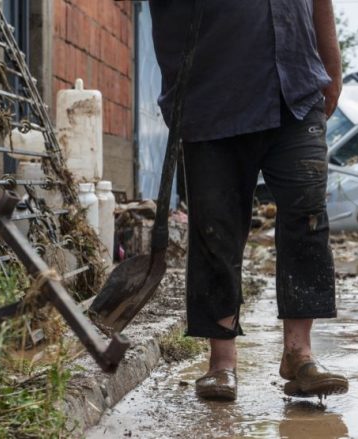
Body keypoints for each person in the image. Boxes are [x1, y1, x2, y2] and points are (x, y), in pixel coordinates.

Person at [148, 0, 347, 401]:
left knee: (307, 212)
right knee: (215, 226)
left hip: (295, 84)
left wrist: (331, 68)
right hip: (211, 90)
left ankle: (299, 354)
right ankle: (222, 363)